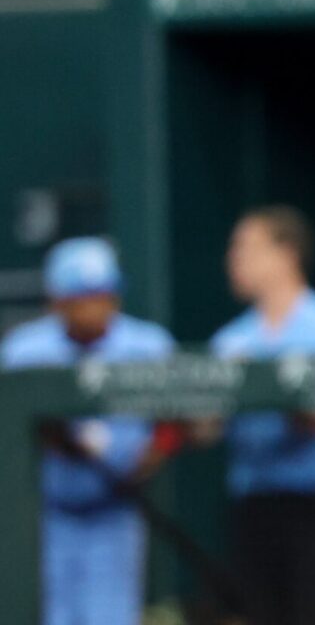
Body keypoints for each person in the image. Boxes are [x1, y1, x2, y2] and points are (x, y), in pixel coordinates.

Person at [2, 238, 177, 625]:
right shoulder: (24, 352)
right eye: (82, 298)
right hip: (46, 513)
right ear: (58, 302)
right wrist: (51, 440)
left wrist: (153, 453)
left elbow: (181, 420)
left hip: (115, 507)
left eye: (103, 296)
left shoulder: (147, 346)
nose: (96, 308)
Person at [210, 206, 315, 625]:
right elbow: (205, 428)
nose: (234, 259)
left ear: (286, 254)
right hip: (253, 506)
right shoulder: (230, 340)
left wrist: (261, 383)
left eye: (246, 248)